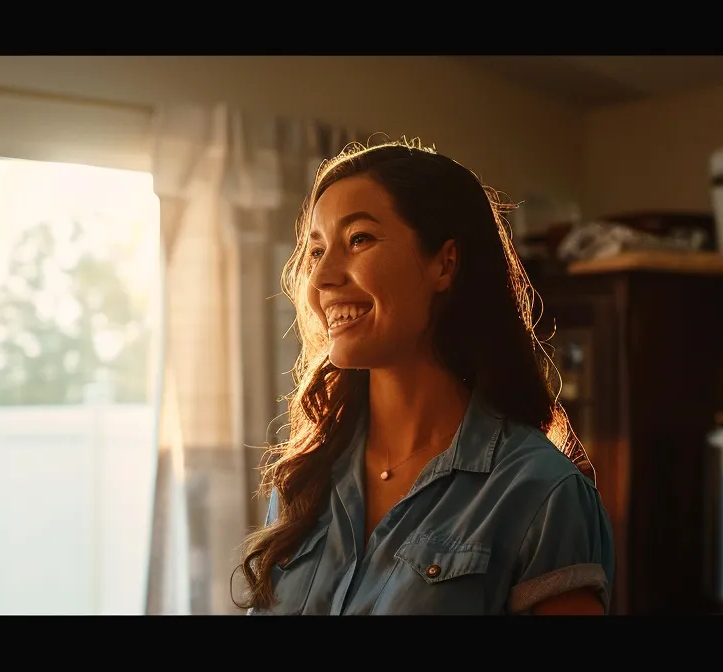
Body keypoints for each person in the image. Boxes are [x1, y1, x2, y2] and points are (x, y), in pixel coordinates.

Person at [238, 140, 613, 615]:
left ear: (444, 263)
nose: (322, 278)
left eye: (359, 239)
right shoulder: (305, 479)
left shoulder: (542, 494)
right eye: (316, 251)